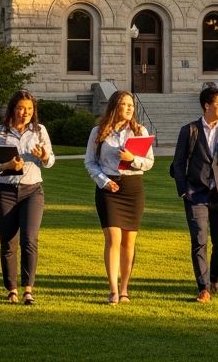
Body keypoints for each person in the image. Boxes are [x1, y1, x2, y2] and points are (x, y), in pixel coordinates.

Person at [172, 85, 218, 302]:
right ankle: (203, 287)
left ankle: (214, 278)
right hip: (196, 194)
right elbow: (178, 162)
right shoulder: (189, 130)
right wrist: (183, 190)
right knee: (199, 240)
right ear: (207, 105)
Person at [0, 90, 55, 305]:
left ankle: (28, 290)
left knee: (29, 240)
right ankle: (12, 289)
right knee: (8, 242)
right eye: (22, 108)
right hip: (5, 191)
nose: (26, 113)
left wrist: (44, 156)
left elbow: (50, 161)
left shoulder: (39, 131)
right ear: (13, 109)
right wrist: (5, 166)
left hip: (32, 191)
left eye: (30, 109)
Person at [84, 89, 154, 304]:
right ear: (115, 107)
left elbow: (149, 162)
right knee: (113, 238)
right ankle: (113, 289)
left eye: (131, 104)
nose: (129, 108)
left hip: (133, 187)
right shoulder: (99, 131)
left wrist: (133, 159)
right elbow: (90, 162)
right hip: (109, 188)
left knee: (129, 242)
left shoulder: (139, 130)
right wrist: (104, 181)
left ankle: (125, 289)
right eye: (124, 104)